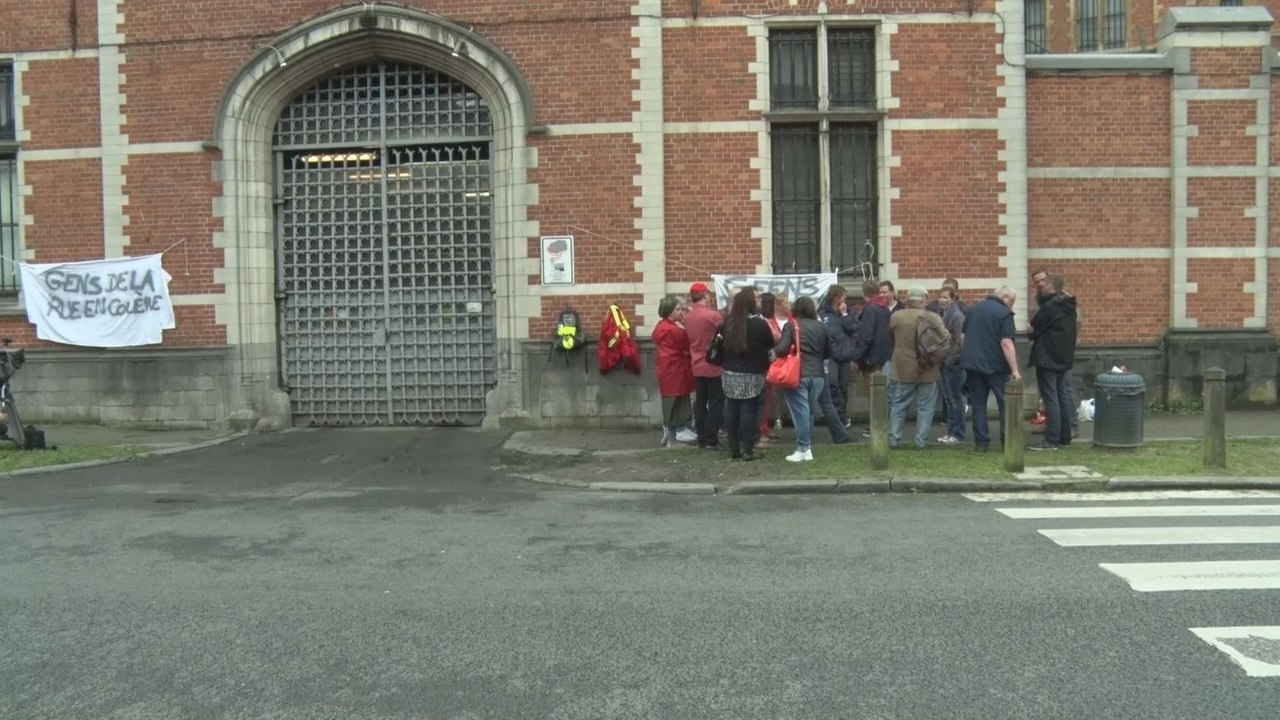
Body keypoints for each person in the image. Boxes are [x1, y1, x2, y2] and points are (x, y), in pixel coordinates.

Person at [772, 295, 852, 462]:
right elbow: (830, 352)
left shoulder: (791, 325)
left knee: (800, 412)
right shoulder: (821, 326)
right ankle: (806, 445)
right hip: (818, 375)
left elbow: (781, 349)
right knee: (808, 411)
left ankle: (804, 448)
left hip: (797, 374)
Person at [958, 285, 1023, 452]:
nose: (1012, 306)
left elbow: (963, 337)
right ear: (1006, 297)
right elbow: (1006, 343)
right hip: (996, 366)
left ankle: (981, 443)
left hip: (973, 365)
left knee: (978, 405)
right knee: (1005, 403)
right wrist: (1015, 369)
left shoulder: (973, 310)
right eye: (1012, 302)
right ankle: (1007, 440)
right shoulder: (1004, 314)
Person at [886, 287, 950, 449]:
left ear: (908, 300)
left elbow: (892, 337)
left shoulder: (896, 316)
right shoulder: (933, 317)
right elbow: (946, 338)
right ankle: (920, 441)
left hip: (903, 368)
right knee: (926, 407)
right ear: (923, 300)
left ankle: (893, 439)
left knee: (899, 404)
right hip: (928, 368)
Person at [719, 288, 775, 461]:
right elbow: (770, 345)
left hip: (730, 372)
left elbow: (719, 345)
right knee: (749, 410)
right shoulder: (759, 324)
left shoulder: (728, 322)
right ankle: (748, 448)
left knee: (732, 410)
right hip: (753, 372)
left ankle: (733, 447)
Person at [1028, 273, 1079, 450]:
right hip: (1064, 356)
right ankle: (1065, 436)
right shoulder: (1069, 305)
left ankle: (1051, 438)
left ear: (1050, 287)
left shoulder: (1050, 307)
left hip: (1047, 356)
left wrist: (1032, 329)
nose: (1041, 287)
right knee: (1062, 395)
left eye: (1044, 284)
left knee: (1051, 397)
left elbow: (1033, 327)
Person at [651, 296, 696, 447]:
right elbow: (687, 345)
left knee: (669, 403)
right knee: (677, 404)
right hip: (676, 369)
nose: (681, 312)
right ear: (670, 311)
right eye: (677, 309)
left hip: (666, 369)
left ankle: (670, 435)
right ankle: (672, 439)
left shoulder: (660, 326)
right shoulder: (674, 330)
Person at [684, 281, 724, 449]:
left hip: (696, 364)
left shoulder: (688, 317)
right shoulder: (712, 316)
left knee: (700, 402)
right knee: (716, 403)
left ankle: (701, 437)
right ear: (705, 295)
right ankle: (711, 438)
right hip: (714, 365)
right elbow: (724, 332)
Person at [852, 279, 894, 438]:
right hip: (883, 358)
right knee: (882, 395)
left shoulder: (870, 310)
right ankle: (882, 424)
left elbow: (866, 336)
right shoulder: (885, 310)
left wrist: (858, 357)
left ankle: (876, 426)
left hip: (871, 360)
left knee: (873, 396)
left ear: (865, 295)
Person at [818, 285, 858, 430]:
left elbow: (853, 329)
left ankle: (842, 416)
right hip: (831, 356)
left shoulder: (850, 312)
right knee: (832, 385)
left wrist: (844, 314)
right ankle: (838, 416)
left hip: (845, 355)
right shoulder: (823, 314)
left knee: (843, 387)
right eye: (842, 296)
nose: (845, 299)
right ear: (835, 297)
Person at [936, 286, 967, 444]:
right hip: (944, 363)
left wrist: (949, 360)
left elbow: (960, 341)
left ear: (953, 299)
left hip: (953, 364)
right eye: (940, 297)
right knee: (948, 400)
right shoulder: (944, 314)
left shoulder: (956, 316)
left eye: (945, 297)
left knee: (956, 400)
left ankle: (958, 433)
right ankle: (951, 432)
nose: (942, 300)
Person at [757, 292, 784, 442]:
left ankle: (765, 428)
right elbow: (775, 336)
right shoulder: (765, 321)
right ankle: (761, 430)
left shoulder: (771, 320)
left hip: (772, 363)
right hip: (766, 363)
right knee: (764, 398)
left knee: (768, 399)